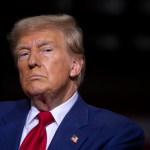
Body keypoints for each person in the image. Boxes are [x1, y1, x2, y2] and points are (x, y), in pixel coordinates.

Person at [0, 13, 145, 150]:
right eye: (24, 53)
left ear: (75, 66)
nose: (32, 61)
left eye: (46, 50)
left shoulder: (114, 132)